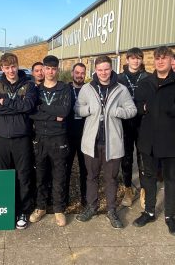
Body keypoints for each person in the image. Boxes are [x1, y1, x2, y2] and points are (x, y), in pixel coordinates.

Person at [131, 46, 175, 236]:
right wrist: (143, 108)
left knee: (171, 180)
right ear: (154, 61)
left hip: (172, 140)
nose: (161, 61)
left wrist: (174, 109)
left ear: (171, 60)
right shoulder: (146, 83)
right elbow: (135, 106)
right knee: (149, 178)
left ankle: (170, 216)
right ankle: (149, 211)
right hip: (149, 141)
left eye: (164, 58)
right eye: (157, 58)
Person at [74, 56, 137, 229]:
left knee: (111, 179)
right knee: (91, 177)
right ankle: (91, 208)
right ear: (95, 70)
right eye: (100, 69)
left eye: (106, 69)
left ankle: (111, 210)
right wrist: (89, 110)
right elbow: (77, 108)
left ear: (111, 69)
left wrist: (118, 111)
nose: (103, 73)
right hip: (91, 142)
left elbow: (132, 110)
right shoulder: (87, 88)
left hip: (112, 142)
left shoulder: (121, 89)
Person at [0, 53, 38, 229]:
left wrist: (6, 102)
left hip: (22, 138)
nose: (11, 70)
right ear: (2, 68)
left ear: (18, 66)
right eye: (7, 67)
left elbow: (28, 107)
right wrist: (15, 105)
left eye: (13, 66)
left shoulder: (29, 85)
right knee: (3, 176)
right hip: (1, 138)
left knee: (23, 176)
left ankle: (23, 210)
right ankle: (5, 209)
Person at [29, 55, 72, 227]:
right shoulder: (35, 90)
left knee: (59, 175)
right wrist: (55, 114)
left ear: (57, 70)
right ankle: (40, 207)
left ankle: (58, 209)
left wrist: (43, 108)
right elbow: (31, 113)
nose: (50, 72)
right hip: (40, 138)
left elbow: (65, 110)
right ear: (43, 69)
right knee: (40, 175)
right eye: (47, 68)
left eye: (54, 69)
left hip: (58, 138)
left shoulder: (64, 89)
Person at [116, 47, 148, 207]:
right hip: (125, 123)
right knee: (126, 158)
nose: (135, 61)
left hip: (143, 123)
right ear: (127, 60)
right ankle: (128, 189)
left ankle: (144, 190)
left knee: (143, 157)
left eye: (138, 58)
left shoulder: (148, 77)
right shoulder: (119, 78)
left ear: (141, 60)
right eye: (132, 58)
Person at [65, 63, 88, 207]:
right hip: (67, 134)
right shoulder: (65, 89)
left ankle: (85, 198)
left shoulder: (89, 89)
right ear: (72, 73)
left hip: (85, 135)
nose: (79, 75)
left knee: (85, 169)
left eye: (82, 73)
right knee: (65, 168)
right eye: (77, 72)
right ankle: (64, 198)